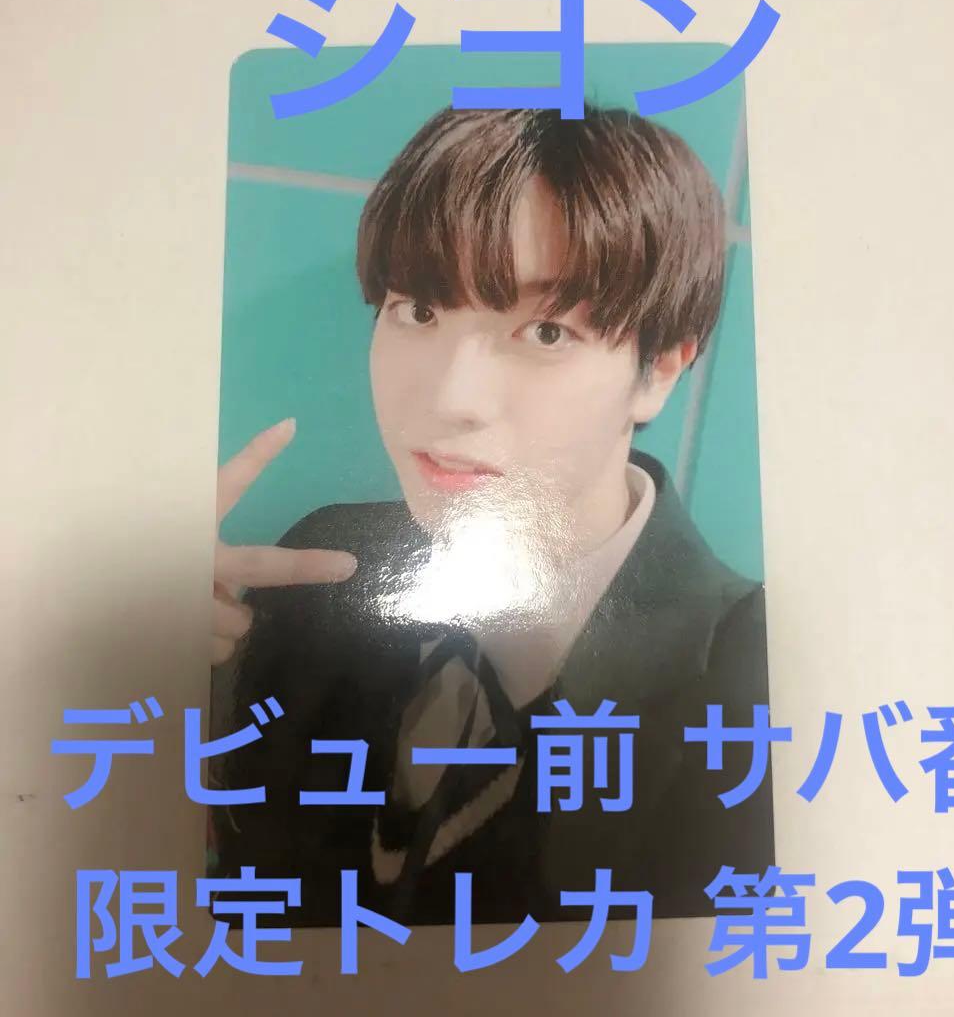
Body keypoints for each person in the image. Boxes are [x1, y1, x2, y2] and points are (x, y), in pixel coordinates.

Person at [208, 105, 775, 928]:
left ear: (658, 369)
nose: (452, 399)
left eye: (545, 332)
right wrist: (169, 687)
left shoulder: (753, 683)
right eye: (418, 311)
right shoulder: (323, 568)